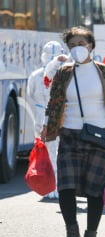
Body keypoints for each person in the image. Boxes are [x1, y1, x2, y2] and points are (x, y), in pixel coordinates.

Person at [41, 26, 105, 237]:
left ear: (90, 45)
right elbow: (54, 103)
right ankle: (72, 232)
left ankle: (91, 236)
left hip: (100, 137)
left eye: (81, 44)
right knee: (66, 186)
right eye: (72, 46)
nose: (76, 49)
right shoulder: (64, 73)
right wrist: (47, 128)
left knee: (95, 190)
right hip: (70, 136)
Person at [27, 40, 66, 199]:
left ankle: (47, 186)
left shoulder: (35, 75)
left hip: (39, 117)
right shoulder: (63, 75)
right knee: (56, 152)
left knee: (45, 153)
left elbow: (30, 94)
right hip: (56, 119)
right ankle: (55, 186)